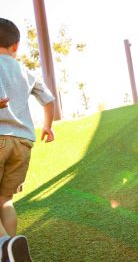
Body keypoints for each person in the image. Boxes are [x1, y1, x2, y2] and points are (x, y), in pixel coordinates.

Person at [0, 18, 55, 262]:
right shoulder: (26, 71)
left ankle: (3, 246)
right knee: (5, 201)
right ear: (16, 45)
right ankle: (12, 251)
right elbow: (49, 100)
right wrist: (47, 127)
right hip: (23, 143)